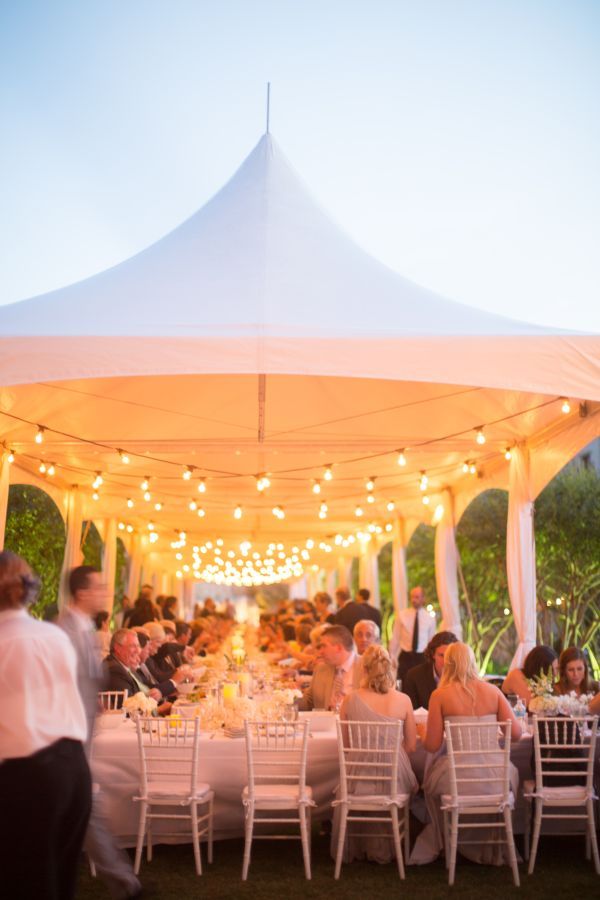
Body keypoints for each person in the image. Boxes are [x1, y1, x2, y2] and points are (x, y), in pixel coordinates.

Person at [0, 551, 91, 900]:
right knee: (60, 877)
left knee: (26, 881)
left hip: (28, 774)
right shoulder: (53, 636)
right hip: (73, 769)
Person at [59, 565, 142, 899]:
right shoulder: (64, 631)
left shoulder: (86, 630)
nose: (104, 592)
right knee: (83, 805)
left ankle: (122, 881)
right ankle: (124, 882)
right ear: (82, 593)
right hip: (65, 735)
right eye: (98, 587)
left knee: (83, 806)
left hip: (81, 732)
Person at [411, 642, 521, 866]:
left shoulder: (440, 695)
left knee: (431, 785)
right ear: (473, 662)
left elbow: (431, 746)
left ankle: (446, 841)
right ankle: (491, 841)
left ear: (448, 664)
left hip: (457, 779)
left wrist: (422, 730)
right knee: (512, 776)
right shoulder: (493, 691)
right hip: (495, 778)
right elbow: (517, 733)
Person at [332, 644, 418, 864]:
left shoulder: (350, 700)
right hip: (393, 776)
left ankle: (359, 845)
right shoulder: (403, 700)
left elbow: (347, 745)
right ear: (389, 669)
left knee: (356, 784)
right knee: (409, 784)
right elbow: (411, 746)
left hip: (358, 777)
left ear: (365, 669)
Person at [297, 625, 361, 711]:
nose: (320, 652)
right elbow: (309, 701)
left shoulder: (366, 667)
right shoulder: (321, 669)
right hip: (324, 722)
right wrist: (286, 702)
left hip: (355, 723)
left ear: (339, 648)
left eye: (324, 646)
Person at [392, 586, 437, 685]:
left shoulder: (429, 618)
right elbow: (395, 637)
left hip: (422, 657)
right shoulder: (402, 615)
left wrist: (432, 660)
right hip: (405, 656)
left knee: (421, 684)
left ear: (423, 598)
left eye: (417, 597)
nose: (414, 600)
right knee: (402, 683)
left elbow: (431, 641)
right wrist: (391, 656)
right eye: (412, 597)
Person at [403, 630, 458, 710]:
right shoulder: (414, 676)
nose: (445, 661)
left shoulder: (461, 676)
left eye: (449, 655)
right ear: (433, 654)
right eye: (441, 655)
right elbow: (410, 711)